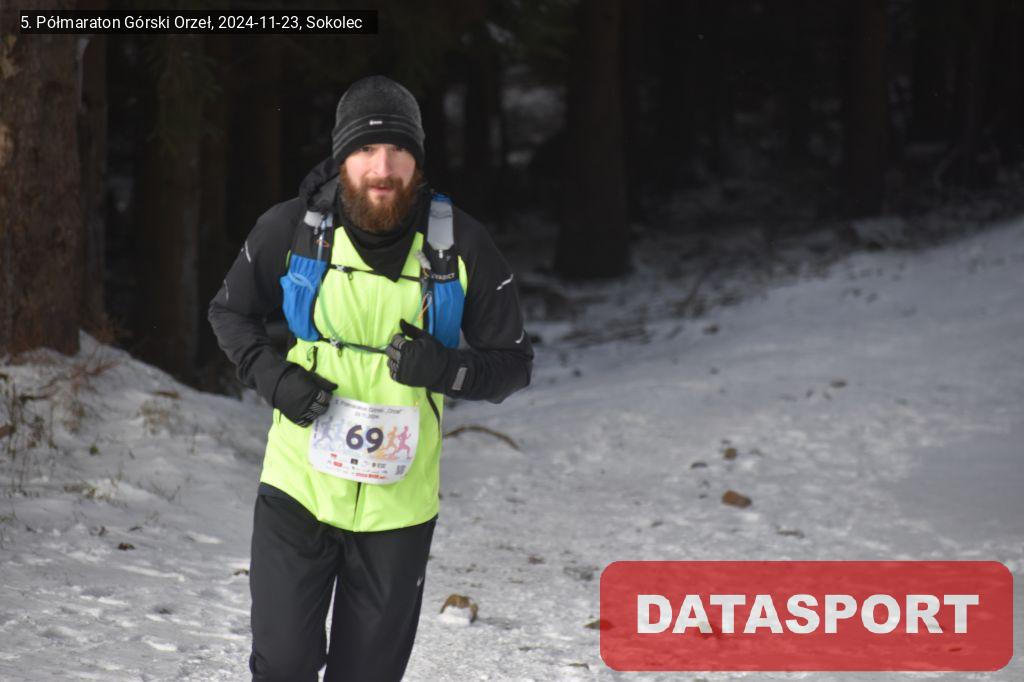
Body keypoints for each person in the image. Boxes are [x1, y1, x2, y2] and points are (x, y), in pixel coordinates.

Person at [208, 75, 533, 682]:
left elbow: (514, 364)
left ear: (418, 161)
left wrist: (447, 369)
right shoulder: (291, 228)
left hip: (399, 506)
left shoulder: (462, 244)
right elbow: (229, 312)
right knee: (283, 664)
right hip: (298, 487)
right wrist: (274, 379)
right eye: (365, 149)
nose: (382, 168)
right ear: (341, 158)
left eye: (398, 150)